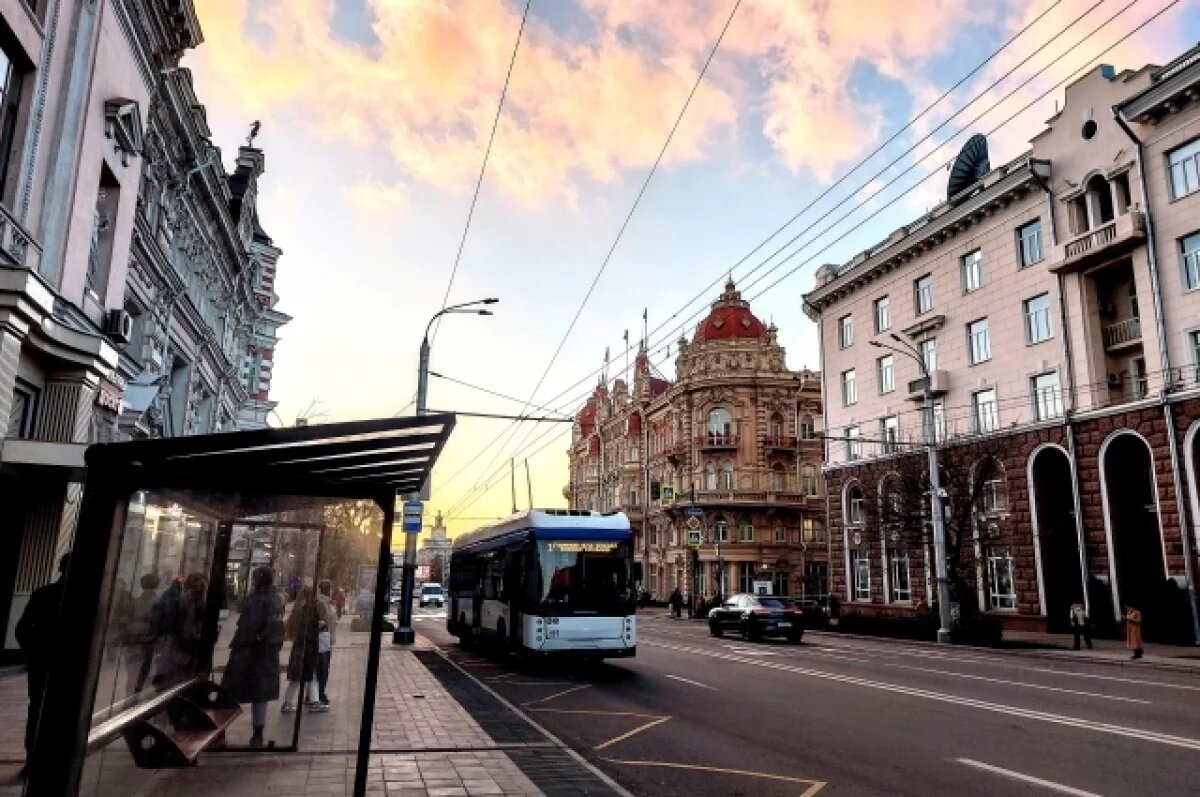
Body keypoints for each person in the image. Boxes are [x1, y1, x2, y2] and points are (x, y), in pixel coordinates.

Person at [15, 553, 71, 779]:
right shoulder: (83, 597)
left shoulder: (42, 594)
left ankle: (33, 760)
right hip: (68, 666)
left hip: (42, 662)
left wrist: (34, 652)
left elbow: (22, 629)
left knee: (37, 709)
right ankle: (57, 759)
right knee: (64, 712)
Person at [222, 567, 285, 747]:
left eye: (255, 578)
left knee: (235, 691)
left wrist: (256, 638)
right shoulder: (270, 598)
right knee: (257, 693)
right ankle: (254, 733)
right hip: (259, 652)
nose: (253, 581)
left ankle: (252, 732)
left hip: (252, 650)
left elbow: (270, 625)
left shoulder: (263, 599)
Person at [281, 586, 322, 713]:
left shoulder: (298, 608)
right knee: (303, 675)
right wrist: (318, 626)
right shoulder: (307, 609)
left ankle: (313, 700)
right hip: (306, 648)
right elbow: (308, 630)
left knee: (303, 676)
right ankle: (290, 702)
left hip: (299, 648)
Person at [123, 574, 161, 695]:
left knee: (132, 671)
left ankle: (130, 694)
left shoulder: (136, 601)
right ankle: (135, 694)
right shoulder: (157, 602)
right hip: (147, 639)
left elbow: (128, 619)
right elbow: (156, 622)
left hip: (134, 638)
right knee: (143, 670)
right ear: (156, 586)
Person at [312, 580, 336, 710]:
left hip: (327, 639)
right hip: (323, 640)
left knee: (322, 668)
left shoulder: (329, 603)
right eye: (330, 588)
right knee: (322, 669)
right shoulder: (322, 603)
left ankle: (315, 694)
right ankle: (319, 695)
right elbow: (320, 621)